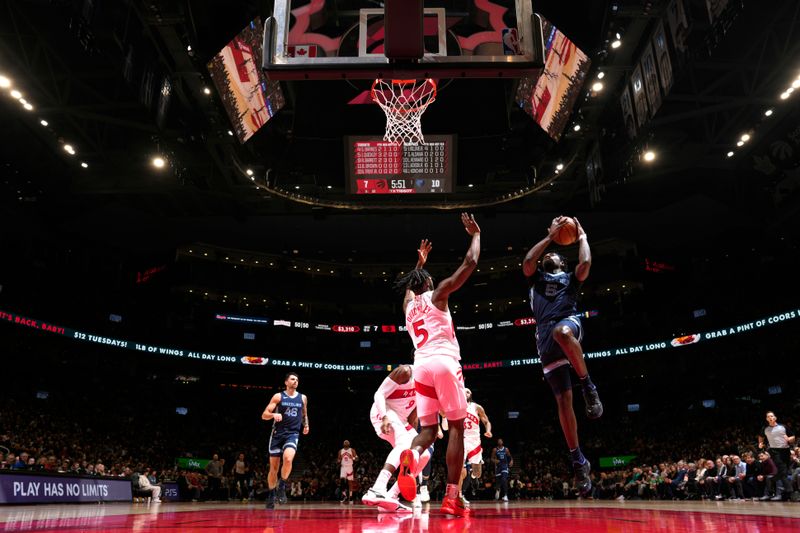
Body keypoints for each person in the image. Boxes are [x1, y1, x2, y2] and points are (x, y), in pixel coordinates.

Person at [395, 212, 481, 517]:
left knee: (429, 430)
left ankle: (412, 454)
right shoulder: (439, 294)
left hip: (420, 367)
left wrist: (418, 263)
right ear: (428, 283)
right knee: (456, 425)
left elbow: (409, 289)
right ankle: (451, 497)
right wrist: (475, 235)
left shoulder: (408, 308)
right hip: (444, 361)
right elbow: (469, 264)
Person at [522, 216, 602, 495]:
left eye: (555, 253)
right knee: (563, 402)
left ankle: (588, 386)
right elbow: (528, 261)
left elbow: (586, 265)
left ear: (563, 263)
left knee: (562, 333)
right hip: (543, 339)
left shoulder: (570, 279)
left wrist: (582, 237)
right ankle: (578, 460)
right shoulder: (537, 276)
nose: (551, 255)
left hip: (568, 322)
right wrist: (550, 237)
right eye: (550, 252)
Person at [362, 364, 424, 512]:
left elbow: (414, 416)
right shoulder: (406, 371)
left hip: (402, 420)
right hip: (382, 412)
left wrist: (413, 448)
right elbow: (379, 394)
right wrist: (384, 417)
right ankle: (377, 489)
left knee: (424, 452)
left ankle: (392, 495)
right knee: (403, 442)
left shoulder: (429, 381)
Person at [261, 372, 310, 509]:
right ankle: (271, 494)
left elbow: (304, 414)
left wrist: (306, 425)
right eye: (293, 379)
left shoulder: (302, 398)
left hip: (292, 434)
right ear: (286, 382)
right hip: (277, 434)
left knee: (288, 459)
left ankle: (282, 485)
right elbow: (264, 415)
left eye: (297, 379)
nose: (295, 381)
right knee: (273, 468)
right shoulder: (278, 396)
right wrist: (273, 414)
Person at [459, 388, 492, 499]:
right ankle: (459, 494)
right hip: (462, 438)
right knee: (460, 468)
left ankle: (473, 475)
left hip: (475, 440)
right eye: (463, 391)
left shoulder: (476, 407)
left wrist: (488, 431)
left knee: (478, 473)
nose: (466, 393)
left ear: (471, 394)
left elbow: (486, 421)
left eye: (468, 391)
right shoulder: (457, 406)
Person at [758, 411, 795, 501]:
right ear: (767, 419)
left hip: (786, 451)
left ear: (775, 418)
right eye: (768, 416)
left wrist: (789, 439)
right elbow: (760, 437)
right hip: (774, 451)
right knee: (782, 470)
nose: (770, 417)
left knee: (784, 473)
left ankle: (772, 480)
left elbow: (793, 437)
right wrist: (760, 443)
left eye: (772, 416)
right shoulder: (765, 428)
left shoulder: (783, 427)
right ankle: (791, 492)